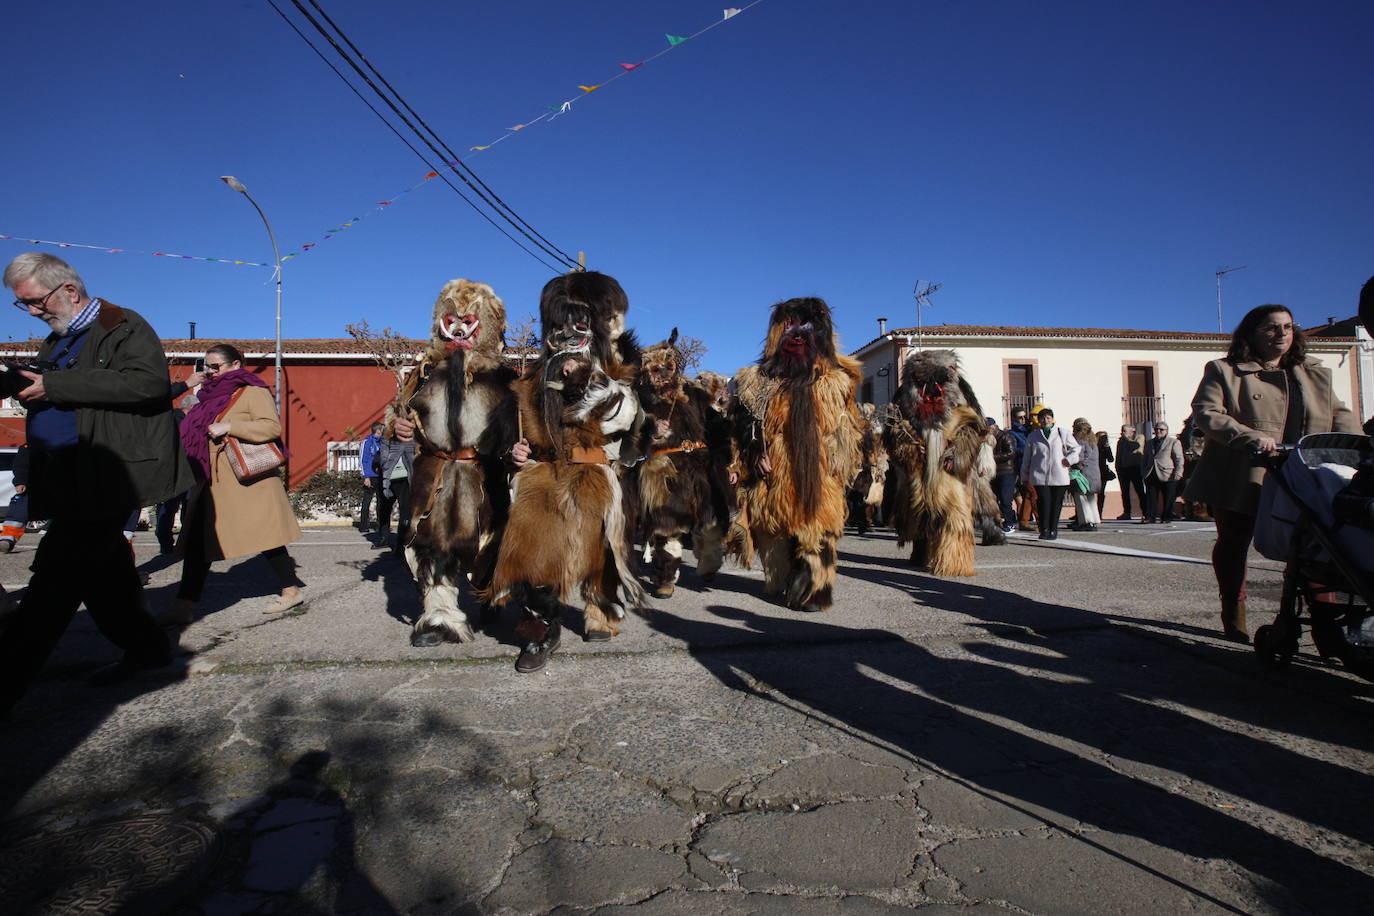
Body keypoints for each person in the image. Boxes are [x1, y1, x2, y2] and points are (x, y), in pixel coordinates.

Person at [0, 252, 194, 713]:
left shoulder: (123, 324)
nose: (31, 311)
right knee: (105, 579)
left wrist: (55, 388)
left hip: (109, 476)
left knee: (54, 581)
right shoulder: (57, 340)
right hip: (68, 475)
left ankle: (6, 684)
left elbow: (147, 385)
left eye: (34, 301)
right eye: (21, 305)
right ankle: (148, 650)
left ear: (68, 290)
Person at [1185, 303, 1360, 642]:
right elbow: (1207, 413)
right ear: (1251, 333)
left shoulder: (1313, 373)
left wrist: (1357, 447)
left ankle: (1324, 618)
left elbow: (1340, 414)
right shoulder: (1225, 370)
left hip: (1305, 471)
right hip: (1245, 469)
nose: (1281, 333)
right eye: (1271, 327)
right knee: (1234, 541)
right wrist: (1249, 437)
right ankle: (1233, 611)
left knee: (1318, 543)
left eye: (1288, 327)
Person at [163, 343, 303, 624]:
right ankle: (183, 605)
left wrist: (231, 426)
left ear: (236, 365)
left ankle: (291, 590)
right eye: (207, 366)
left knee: (267, 537)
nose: (210, 372)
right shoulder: (206, 397)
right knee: (198, 544)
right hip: (210, 481)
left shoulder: (252, 391)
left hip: (245, 481)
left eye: (216, 366)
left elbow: (271, 427)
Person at [1019, 407, 1079, 540]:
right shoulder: (1033, 436)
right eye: (1042, 418)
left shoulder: (1062, 433)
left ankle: (1053, 529)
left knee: (1056, 503)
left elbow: (1076, 448)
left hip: (1059, 474)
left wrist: (1068, 460)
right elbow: (1027, 457)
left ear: (1052, 419)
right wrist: (1024, 475)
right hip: (1040, 475)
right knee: (1043, 502)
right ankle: (1044, 529)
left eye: (1048, 418)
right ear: (1038, 420)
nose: (1045, 420)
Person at [374, 417, 415, 552]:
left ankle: (397, 543)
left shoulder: (411, 437)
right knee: (386, 510)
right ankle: (391, 541)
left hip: (401, 478)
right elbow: (382, 455)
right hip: (389, 478)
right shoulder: (388, 436)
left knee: (400, 511)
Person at [1141, 420, 1184, 523]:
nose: (1158, 431)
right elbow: (1144, 458)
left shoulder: (1173, 442)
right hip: (1151, 472)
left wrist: (1179, 472)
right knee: (1151, 497)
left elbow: (1179, 458)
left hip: (1168, 473)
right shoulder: (1149, 443)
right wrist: (1143, 472)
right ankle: (1150, 517)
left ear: (1166, 431)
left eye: (1161, 429)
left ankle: (1166, 517)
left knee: (1168, 497)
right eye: (1156, 429)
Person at [1068, 418, 1100, 531]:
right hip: (1094, 474)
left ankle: (1086, 522)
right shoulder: (1093, 441)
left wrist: (1071, 464)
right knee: (1091, 498)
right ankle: (1094, 521)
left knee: (1081, 498)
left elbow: (1079, 458)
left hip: (1082, 474)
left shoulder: (1080, 441)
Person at [1007, 408, 1035, 531]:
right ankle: (1024, 520)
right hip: (1019, 468)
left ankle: (1025, 519)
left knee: (1028, 495)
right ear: (1014, 418)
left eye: (1024, 417)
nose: (1023, 420)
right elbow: (1014, 450)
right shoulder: (1012, 434)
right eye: (1020, 417)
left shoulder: (1030, 431)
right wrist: (1029, 451)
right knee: (1028, 494)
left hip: (1033, 467)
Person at [990, 418, 1018, 534]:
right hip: (992, 473)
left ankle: (1009, 523)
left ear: (994, 427)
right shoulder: (986, 439)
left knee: (1005, 499)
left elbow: (1011, 453)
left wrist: (992, 458)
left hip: (1007, 472)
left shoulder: (1006, 437)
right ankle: (1006, 519)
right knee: (995, 499)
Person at [0, 445, 30, 551]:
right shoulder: (29, 447)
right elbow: (21, 466)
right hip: (35, 484)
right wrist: (20, 481)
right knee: (20, 505)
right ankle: (7, 540)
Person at [357, 421, 385, 533]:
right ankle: (364, 525)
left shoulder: (383, 443)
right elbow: (362, 460)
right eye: (383, 430)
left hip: (381, 476)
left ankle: (380, 525)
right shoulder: (366, 442)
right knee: (367, 501)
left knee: (381, 502)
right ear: (378, 430)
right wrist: (366, 476)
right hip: (370, 476)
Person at [1114, 423, 1146, 520]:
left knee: (1139, 490)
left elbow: (1136, 446)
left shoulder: (1139, 438)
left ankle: (1145, 511)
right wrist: (1117, 467)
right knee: (1125, 492)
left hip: (1134, 468)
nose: (1122, 433)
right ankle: (1127, 512)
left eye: (1124, 430)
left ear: (1132, 431)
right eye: (1122, 430)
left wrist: (1126, 439)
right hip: (1123, 469)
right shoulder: (1121, 441)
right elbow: (1118, 454)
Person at [1095, 430, 1115, 517]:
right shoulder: (1094, 446)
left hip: (1102, 471)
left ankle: (1099, 512)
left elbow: (1111, 459)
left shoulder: (1105, 447)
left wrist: (1107, 448)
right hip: (1094, 470)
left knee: (1101, 492)